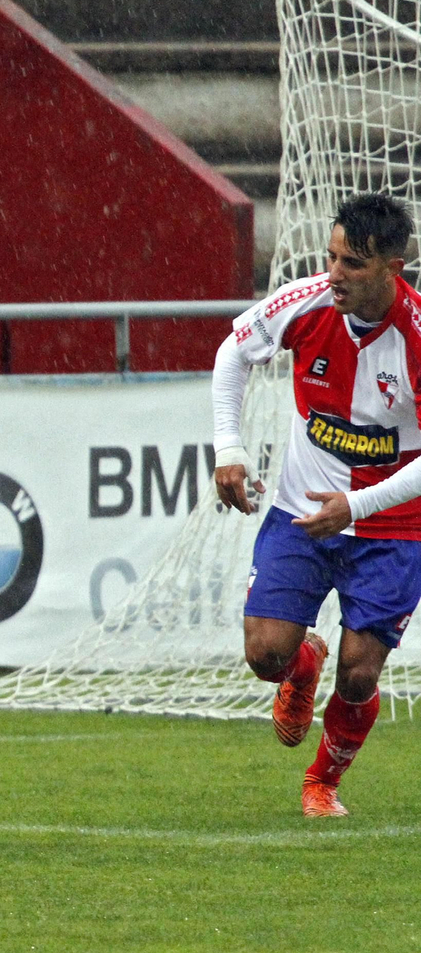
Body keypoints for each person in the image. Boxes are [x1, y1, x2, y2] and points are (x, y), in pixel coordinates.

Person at [213, 192, 420, 818]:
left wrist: (357, 506)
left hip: (393, 523)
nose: (334, 275)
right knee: (264, 656)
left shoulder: (417, 337)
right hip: (302, 510)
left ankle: (321, 784)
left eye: (352, 263)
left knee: (360, 674)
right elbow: (232, 353)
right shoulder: (304, 303)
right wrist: (229, 446)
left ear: (393, 265)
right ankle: (303, 663)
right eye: (330, 258)